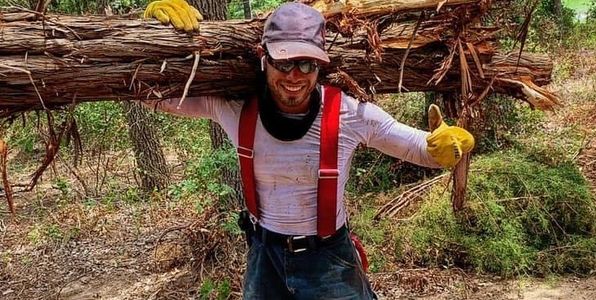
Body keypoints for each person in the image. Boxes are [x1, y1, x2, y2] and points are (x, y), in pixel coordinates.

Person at [143, 1, 475, 299]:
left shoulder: (350, 114)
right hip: (264, 258)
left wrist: (448, 146)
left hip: (329, 260)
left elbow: (422, 149)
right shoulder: (233, 109)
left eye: (306, 65)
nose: (294, 76)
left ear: (320, 66)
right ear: (264, 58)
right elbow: (149, 94)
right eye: (284, 62)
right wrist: (152, 31)